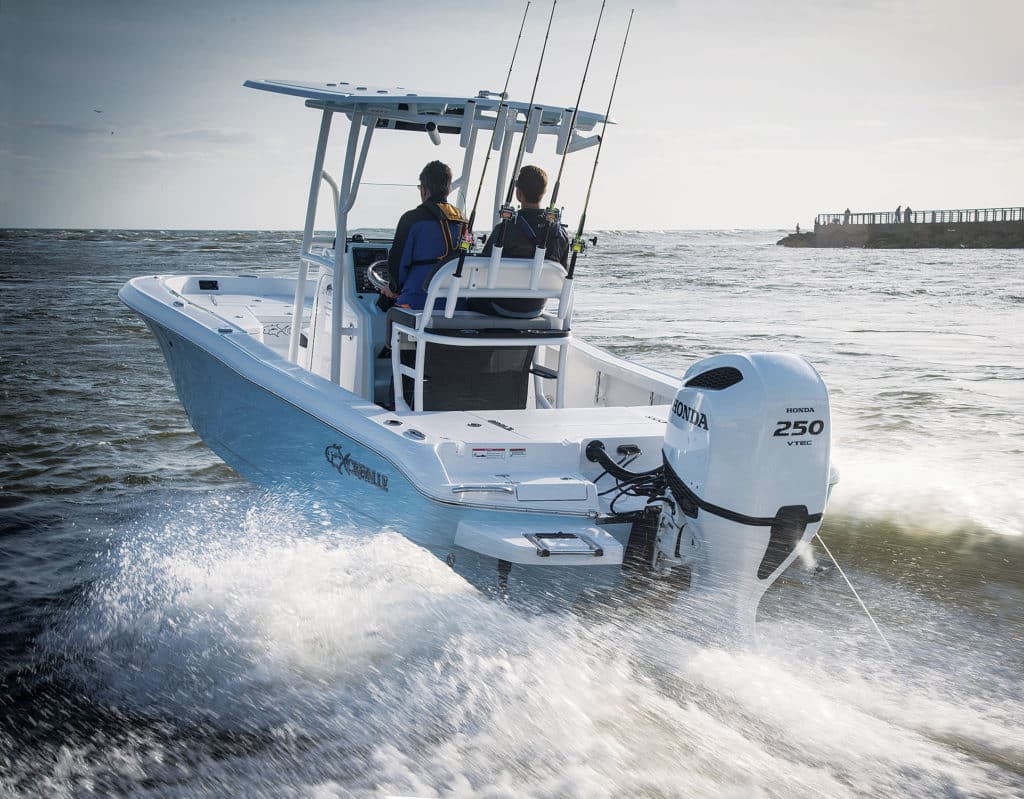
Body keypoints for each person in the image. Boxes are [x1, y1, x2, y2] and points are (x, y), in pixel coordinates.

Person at [473, 164, 570, 317]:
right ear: (544, 192)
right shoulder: (559, 234)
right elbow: (564, 275)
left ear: (518, 193)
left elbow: (482, 270)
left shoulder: (504, 229)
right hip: (536, 308)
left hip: (501, 306)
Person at [379, 161, 466, 310]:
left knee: (383, 308)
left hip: (417, 302)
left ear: (424, 190)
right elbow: (466, 252)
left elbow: (398, 264)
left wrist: (393, 288)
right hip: (456, 305)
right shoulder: (463, 222)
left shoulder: (411, 220)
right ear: (448, 189)